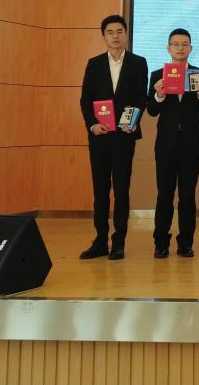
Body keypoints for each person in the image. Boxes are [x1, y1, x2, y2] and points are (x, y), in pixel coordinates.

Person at [78, 15, 149, 261]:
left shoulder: (138, 63)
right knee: (100, 190)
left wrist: (133, 121)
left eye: (120, 31)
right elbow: (85, 99)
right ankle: (100, 240)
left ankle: (119, 242)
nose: (115, 36)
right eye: (110, 32)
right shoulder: (94, 64)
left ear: (126, 34)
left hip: (124, 136)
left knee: (121, 189)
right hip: (100, 136)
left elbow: (141, 97)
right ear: (104, 36)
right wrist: (92, 124)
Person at [148, 28, 199, 258]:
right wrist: (159, 94)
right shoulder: (158, 75)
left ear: (190, 48)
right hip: (165, 144)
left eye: (184, 44)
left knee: (187, 196)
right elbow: (152, 111)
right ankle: (160, 243)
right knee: (164, 194)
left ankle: (185, 243)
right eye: (175, 44)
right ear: (168, 48)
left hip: (191, 144)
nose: (180, 48)